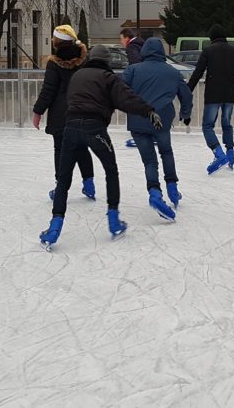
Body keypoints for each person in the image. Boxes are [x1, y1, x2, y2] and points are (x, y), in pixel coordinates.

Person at [38, 45, 162, 251]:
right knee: (111, 171)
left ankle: (54, 227)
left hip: (70, 128)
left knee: (64, 178)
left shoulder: (77, 76)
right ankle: (113, 219)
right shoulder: (108, 78)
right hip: (95, 129)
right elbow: (127, 99)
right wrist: (148, 111)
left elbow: (70, 99)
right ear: (107, 61)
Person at [123, 37, 193, 219]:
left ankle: (155, 193)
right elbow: (186, 95)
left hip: (137, 121)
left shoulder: (133, 70)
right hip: (162, 120)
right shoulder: (172, 72)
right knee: (166, 152)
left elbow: (119, 90)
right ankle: (172, 189)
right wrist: (185, 114)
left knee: (150, 161)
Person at [31, 25, 96, 201]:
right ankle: (89, 184)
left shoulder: (54, 62)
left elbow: (48, 90)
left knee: (60, 150)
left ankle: (61, 188)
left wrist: (38, 111)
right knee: (82, 147)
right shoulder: (85, 59)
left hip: (61, 115)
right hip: (83, 111)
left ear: (57, 41)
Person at [187, 23, 234, 174]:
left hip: (213, 94)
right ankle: (230, 153)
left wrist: (187, 91)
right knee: (226, 123)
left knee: (207, 126)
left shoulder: (208, 51)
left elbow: (197, 73)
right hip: (229, 94)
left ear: (211, 37)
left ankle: (219, 154)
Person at [119, 28, 146, 148]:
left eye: (121, 39)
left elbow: (135, 64)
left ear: (126, 37)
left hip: (139, 83)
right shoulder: (141, 44)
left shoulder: (131, 47)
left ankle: (139, 134)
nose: (121, 42)